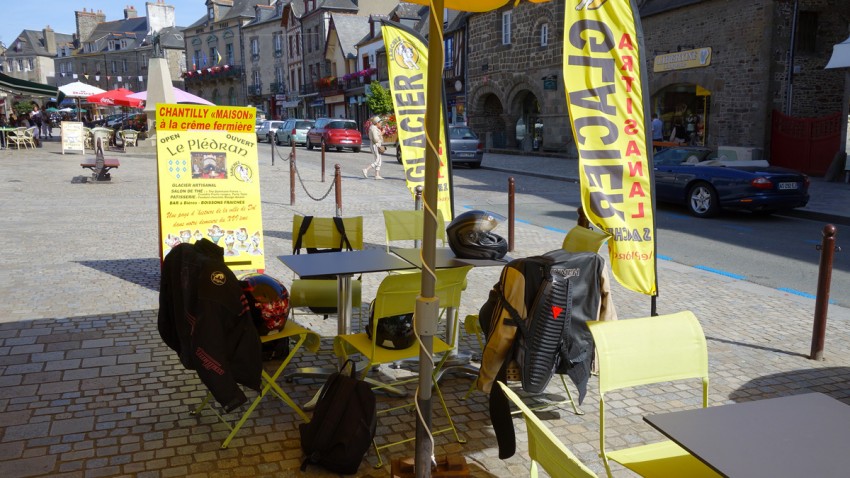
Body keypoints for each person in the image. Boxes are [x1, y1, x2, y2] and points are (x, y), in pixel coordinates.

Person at [363, 116, 384, 180]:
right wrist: (381, 134)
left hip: (376, 145)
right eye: (380, 123)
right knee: (377, 160)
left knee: (379, 160)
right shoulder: (374, 128)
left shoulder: (374, 128)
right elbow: (375, 139)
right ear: (377, 123)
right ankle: (366, 169)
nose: (381, 124)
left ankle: (377, 175)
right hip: (375, 146)